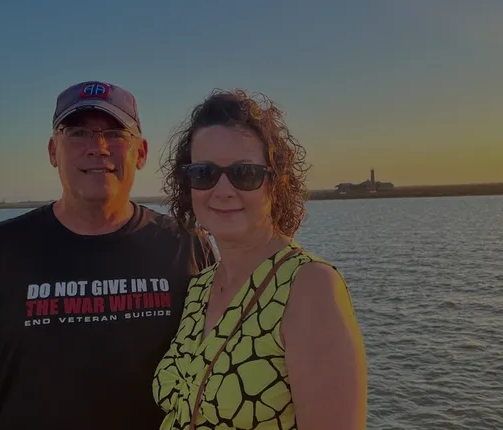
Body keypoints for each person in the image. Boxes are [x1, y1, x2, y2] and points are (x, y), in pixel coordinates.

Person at [0, 81, 214, 430]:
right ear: (53, 151)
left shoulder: (187, 246)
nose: (97, 147)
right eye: (78, 133)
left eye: (115, 134)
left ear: (140, 153)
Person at [152, 89, 368, 430]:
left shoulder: (309, 287)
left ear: (275, 183)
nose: (223, 190)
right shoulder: (200, 288)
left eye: (245, 173)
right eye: (204, 173)